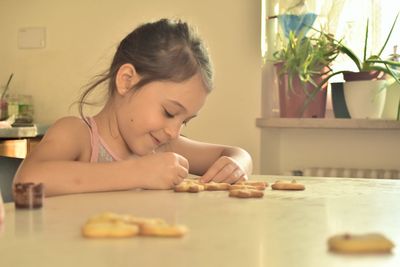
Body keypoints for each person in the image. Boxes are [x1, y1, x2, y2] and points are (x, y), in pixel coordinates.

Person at [13, 18, 253, 196]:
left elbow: (234, 154)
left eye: (184, 121)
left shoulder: (163, 146)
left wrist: (238, 165)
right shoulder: (78, 136)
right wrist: (137, 172)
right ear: (126, 80)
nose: (174, 131)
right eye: (169, 112)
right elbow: (26, 183)